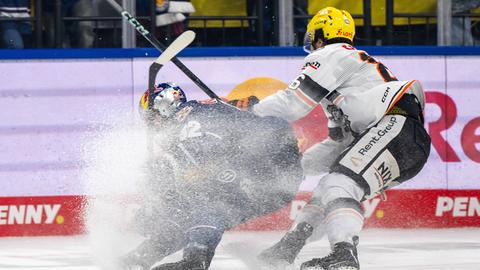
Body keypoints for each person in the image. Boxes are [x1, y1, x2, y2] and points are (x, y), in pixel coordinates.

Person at [246, 7, 431, 270]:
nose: (312, 42)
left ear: (322, 34)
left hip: (396, 126)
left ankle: (344, 255)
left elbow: (292, 105)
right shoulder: (348, 77)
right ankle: (290, 246)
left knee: (339, 183)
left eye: (314, 36)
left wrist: (249, 109)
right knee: (327, 190)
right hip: (405, 140)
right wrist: (297, 166)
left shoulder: (331, 53)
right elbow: (340, 143)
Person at [122, 82, 303, 270]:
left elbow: (207, 158)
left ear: (166, 106)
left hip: (271, 166)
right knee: (189, 207)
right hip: (275, 171)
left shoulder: (187, 116)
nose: (153, 125)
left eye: (153, 117)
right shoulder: (195, 115)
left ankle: (195, 260)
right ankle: (144, 255)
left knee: (207, 196)